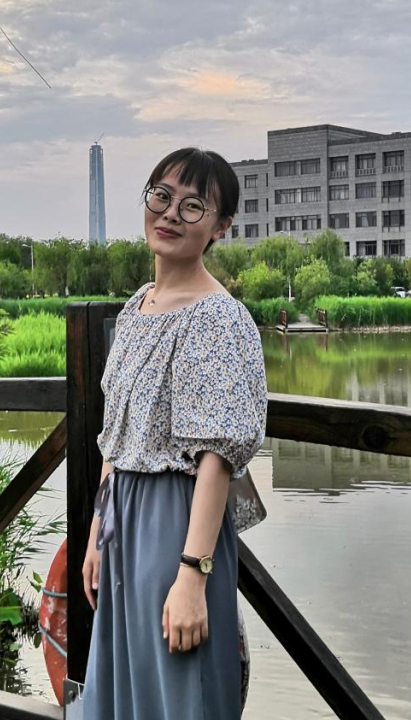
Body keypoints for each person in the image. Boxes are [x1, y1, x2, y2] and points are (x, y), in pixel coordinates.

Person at [80, 148, 268, 720]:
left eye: (192, 206)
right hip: (122, 521)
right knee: (123, 690)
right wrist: (97, 533)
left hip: (177, 524)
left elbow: (217, 456)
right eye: (161, 196)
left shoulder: (219, 318)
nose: (169, 214)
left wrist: (192, 574)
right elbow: (116, 435)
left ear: (220, 226)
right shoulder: (138, 307)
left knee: (180, 694)